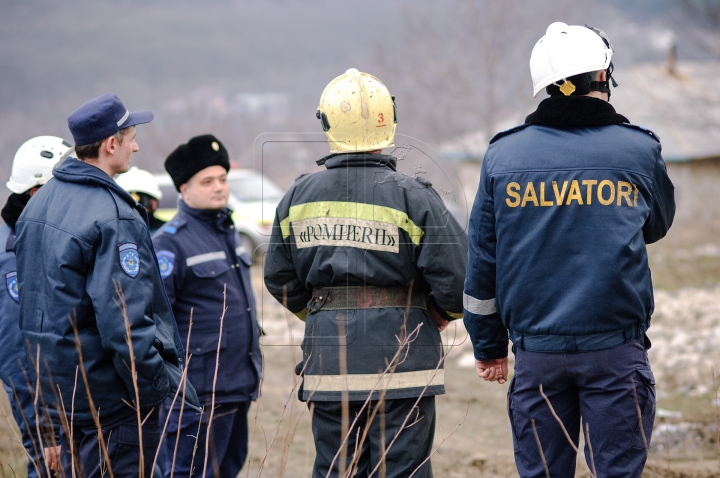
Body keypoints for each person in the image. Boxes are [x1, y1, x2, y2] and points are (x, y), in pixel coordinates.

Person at [463, 22, 675, 477]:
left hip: (537, 358)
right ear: (604, 76)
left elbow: (482, 261)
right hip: (616, 356)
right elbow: (656, 226)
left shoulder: (503, 157)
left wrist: (488, 346)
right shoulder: (638, 149)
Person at [264, 68, 467, 478]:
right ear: (388, 121)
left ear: (326, 124)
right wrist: (438, 314)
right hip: (404, 363)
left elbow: (279, 278)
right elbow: (459, 278)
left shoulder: (296, 197)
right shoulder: (414, 196)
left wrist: (321, 313)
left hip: (328, 366)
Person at [15, 93, 199, 478]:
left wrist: (48, 417)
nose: (136, 146)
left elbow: (34, 321)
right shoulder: (114, 215)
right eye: (131, 137)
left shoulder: (38, 204)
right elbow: (126, 326)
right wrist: (155, 388)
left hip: (65, 403)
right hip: (115, 408)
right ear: (110, 144)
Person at [153, 134, 262, 477]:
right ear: (184, 189)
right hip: (197, 396)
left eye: (223, 179)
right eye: (207, 181)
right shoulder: (170, 244)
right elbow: (157, 322)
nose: (219, 188)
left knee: (227, 469)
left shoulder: (228, 232)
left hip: (237, 386)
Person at [0, 136, 70, 477]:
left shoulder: (48, 236)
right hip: (53, 427)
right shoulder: (11, 258)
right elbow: (19, 359)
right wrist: (47, 434)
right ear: (35, 192)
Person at [116, 166, 167, 233]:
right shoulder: (167, 232)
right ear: (154, 203)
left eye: (142, 201)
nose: (135, 210)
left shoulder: (111, 232)